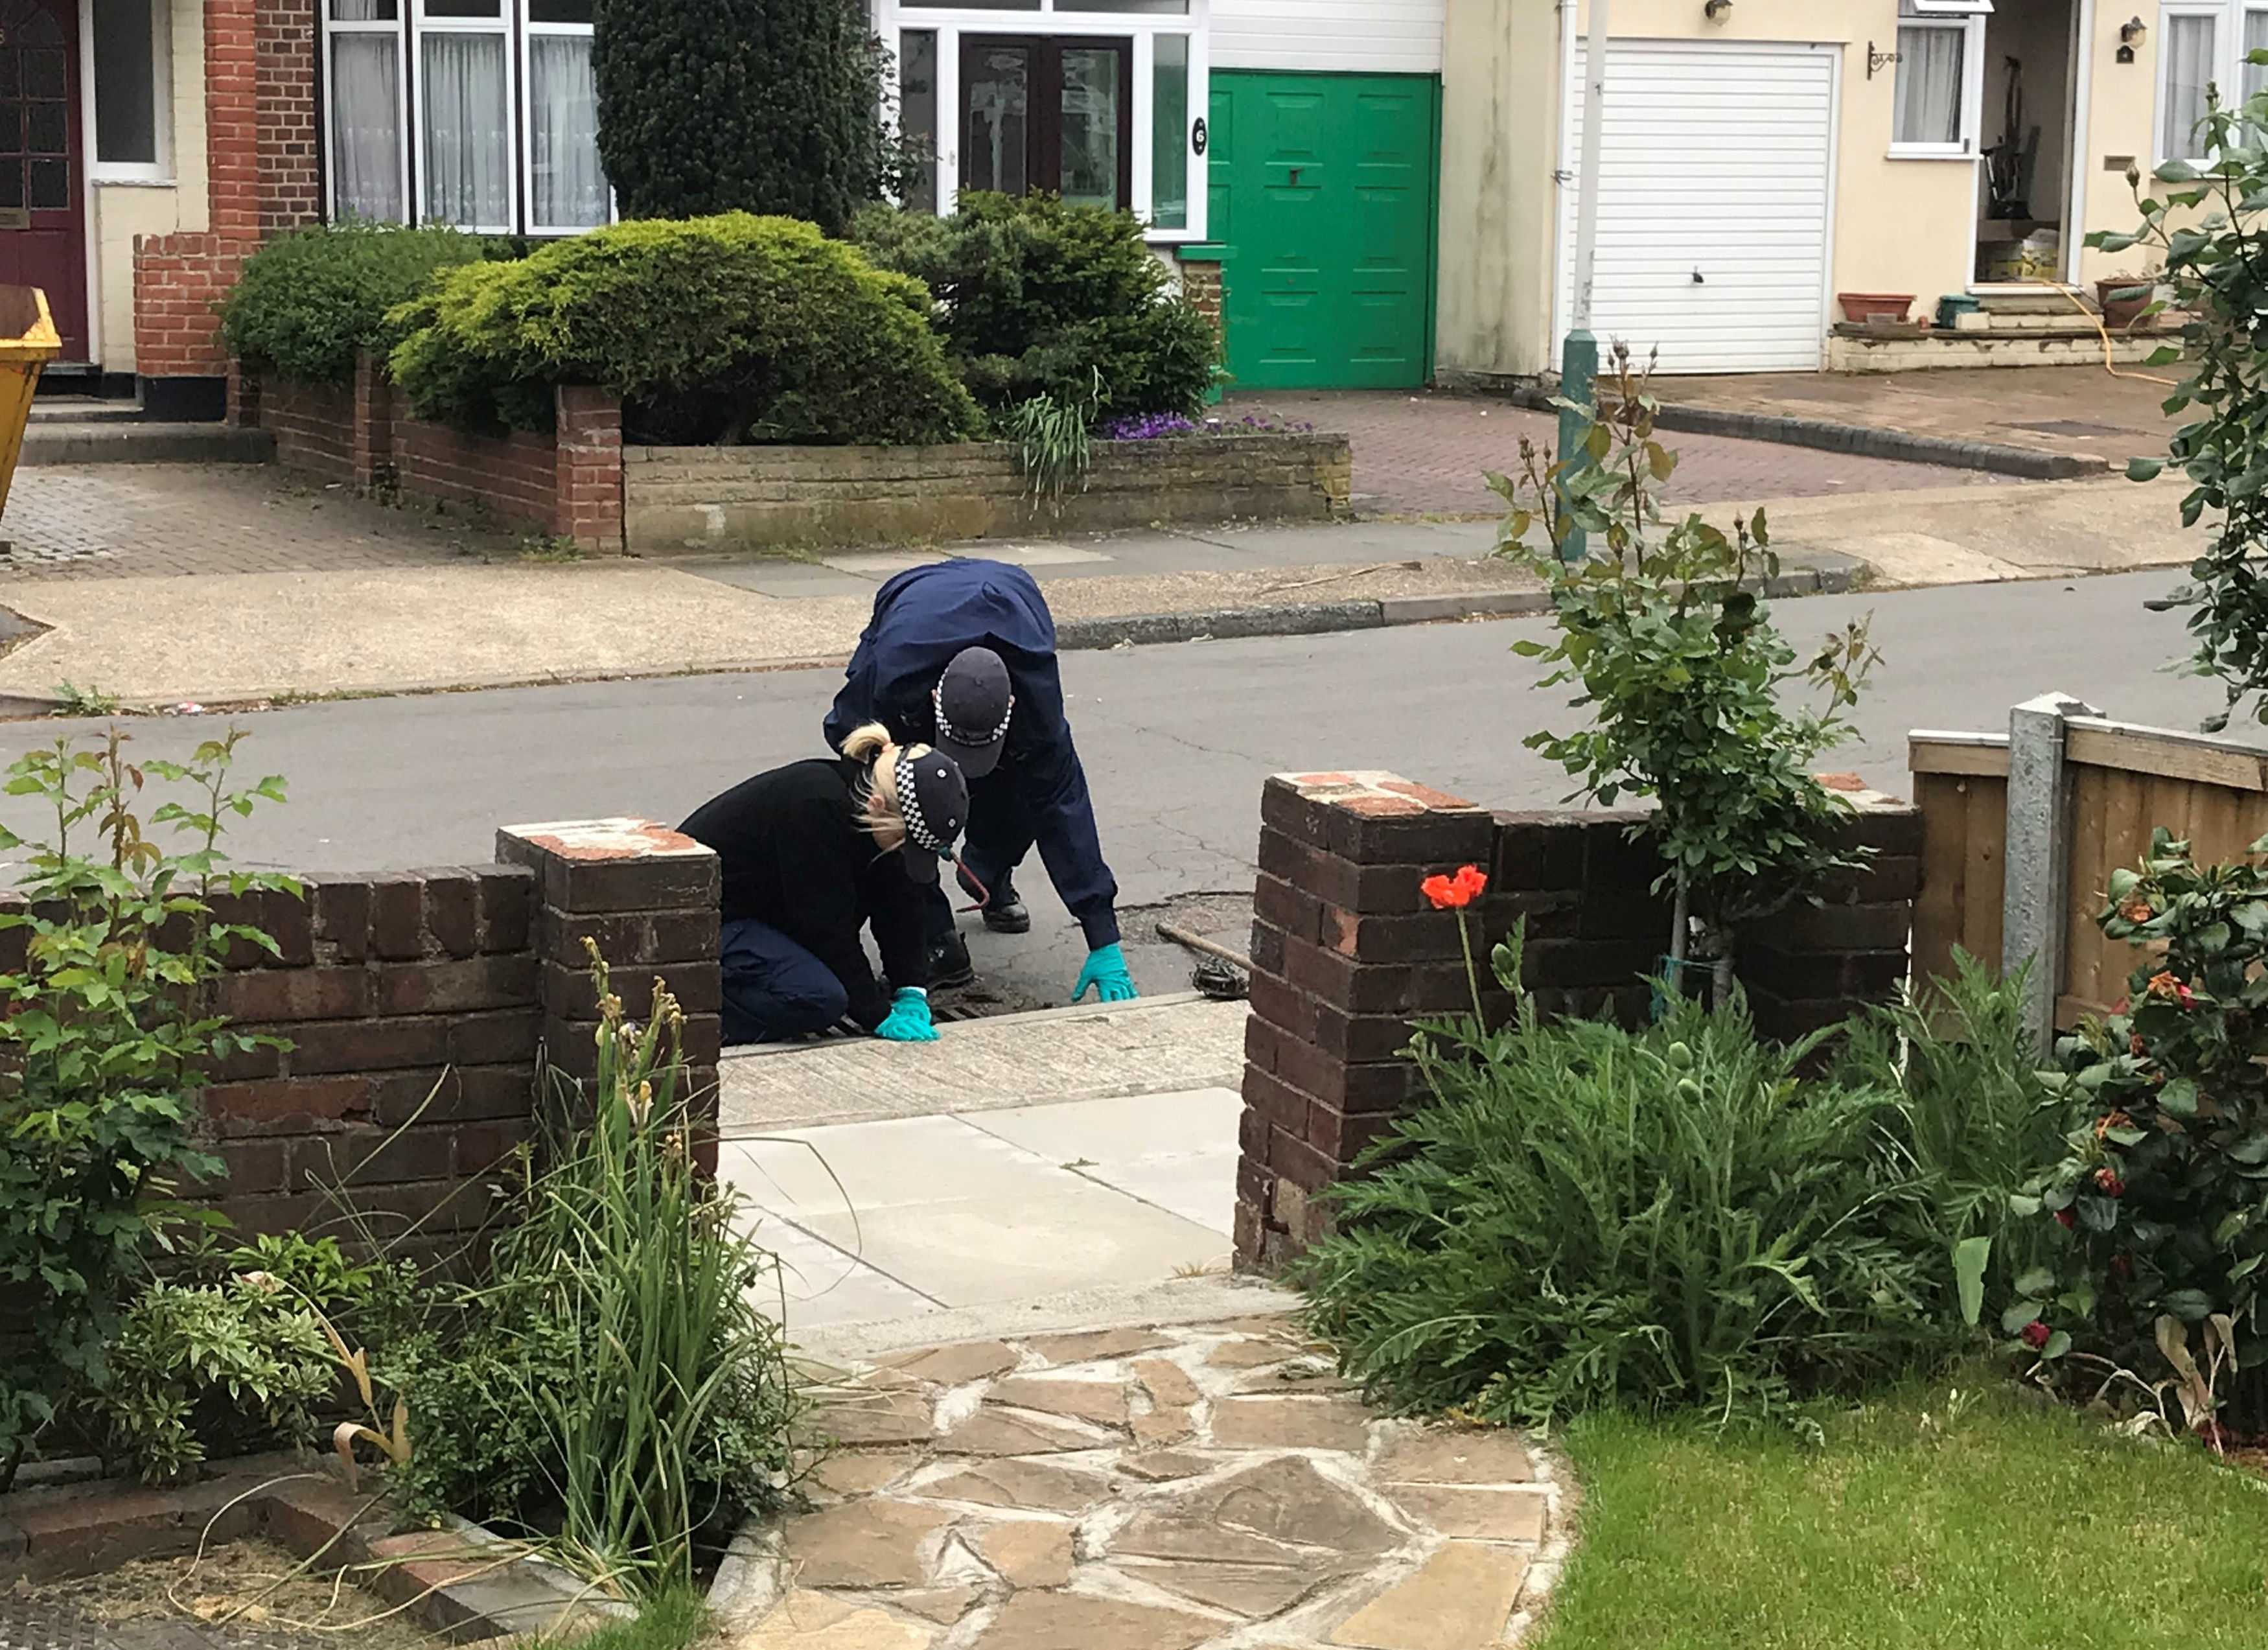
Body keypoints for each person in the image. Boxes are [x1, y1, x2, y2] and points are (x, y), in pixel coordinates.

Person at [822, 557, 1136, 1005]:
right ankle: (938, 938)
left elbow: (1063, 808)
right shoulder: (895, 680)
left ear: (1011, 704)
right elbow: (846, 736)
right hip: (913, 600)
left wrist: (1102, 936)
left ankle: (987, 871)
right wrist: (917, 826)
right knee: (891, 802)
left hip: (1012, 596)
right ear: (933, 699)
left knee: (1023, 795)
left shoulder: (1035, 702)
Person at [680, 724, 969, 1045]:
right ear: (876, 806)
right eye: (903, 844)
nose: (902, 854)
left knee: (835, 980)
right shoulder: (815, 808)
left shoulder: (880, 814)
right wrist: (876, 1014)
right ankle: (691, 1021)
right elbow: (826, 927)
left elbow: (901, 900)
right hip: (707, 920)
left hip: (764, 910)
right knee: (818, 998)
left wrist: (911, 988)